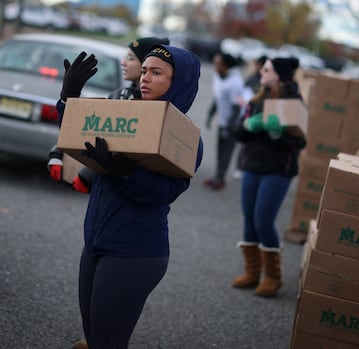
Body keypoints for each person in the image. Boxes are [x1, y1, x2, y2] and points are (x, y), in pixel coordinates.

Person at [56, 45, 203, 349]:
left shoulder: (186, 138)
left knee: (108, 341)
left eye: (157, 72)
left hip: (135, 253)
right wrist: (67, 98)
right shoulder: (128, 113)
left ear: (178, 81)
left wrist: (125, 172)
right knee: (94, 334)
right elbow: (77, 133)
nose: (145, 78)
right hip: (96, 242)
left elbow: (165, 192)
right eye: (144, 71)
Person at [48, 37, 170, 193]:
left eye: (131, 58)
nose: (123, 62)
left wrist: (90, 174)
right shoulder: (119, 95)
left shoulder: (161, 112)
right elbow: (88, 130)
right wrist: (68, 97)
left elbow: (160, 186)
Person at [231, 57, 306, 297]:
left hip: (277, 170)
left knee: (263, 221)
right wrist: (248, 125)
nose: (261, 71)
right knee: (249, 219)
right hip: (252, 165)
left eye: (268, 68)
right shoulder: (256, 98)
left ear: (280, 75)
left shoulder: (293, 102)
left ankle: (273, 276)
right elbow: (238, 133)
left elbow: (299, 143)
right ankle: (252, 272)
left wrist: (278, 135)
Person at [204, 52, 252, 190]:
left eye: (218, 64)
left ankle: (220, 179)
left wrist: (229, 126)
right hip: (222, 121)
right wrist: (210, 115)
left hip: (233, 123)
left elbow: (237, 107)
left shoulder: (235, 82)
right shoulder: (218, 77)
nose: (215, 66)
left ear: (226, 66)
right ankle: (217, 176)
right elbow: (217, 98)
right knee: (219, 149)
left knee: (227, 151)